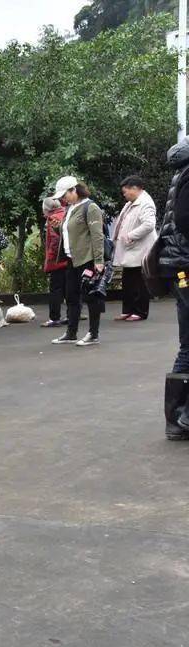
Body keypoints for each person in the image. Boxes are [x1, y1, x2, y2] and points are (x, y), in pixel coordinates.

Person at [50, 177, 106, 347]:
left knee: (91, 296)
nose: (63, 198)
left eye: (65, 194)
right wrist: (56, 226)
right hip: (71, 259)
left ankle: (93, 333)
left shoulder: (91, 207)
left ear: (74, 190)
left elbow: (97, 235)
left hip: (87, 259)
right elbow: (68, 230)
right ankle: (71, 332)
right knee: (72, 296)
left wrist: (99, 260)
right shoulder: (70, 208)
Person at [158, 141, 189, 439]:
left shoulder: (181, 173)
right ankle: (181, 419)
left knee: (188, 343)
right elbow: (186, 219)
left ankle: (178, 420)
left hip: (181, 264)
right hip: (187, 263)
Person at [111, 175, 158, 322]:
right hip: (130, 249)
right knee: (128, 282)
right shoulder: (132, 202)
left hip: (139, 249)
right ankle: (128, 310)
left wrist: (131, 235)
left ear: (135, 188)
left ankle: (140, 311)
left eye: (126, 191)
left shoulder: (146, 203)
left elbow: (149, 225)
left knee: (140, 282)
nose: (124, 194)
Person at [41, 196, 69, 327]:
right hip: (70, 258)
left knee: (55, 289)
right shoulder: (66, 212)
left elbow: (55, 241)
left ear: (47, 209)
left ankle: (54, 318)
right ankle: (71, 315)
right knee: (69, 288)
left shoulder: (52, 219)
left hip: (58, 260)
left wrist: (51, 260)